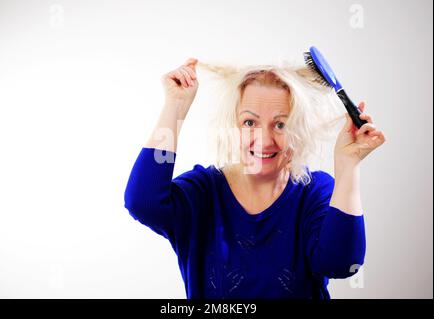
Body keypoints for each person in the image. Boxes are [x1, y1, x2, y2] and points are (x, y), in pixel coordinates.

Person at [124, 57, 386, 299]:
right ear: (233, 126)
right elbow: (143, 203)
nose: (264, 140)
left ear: (298, 129)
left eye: (281, 124)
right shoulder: (203, 191)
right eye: (250, 123)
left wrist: (348, 165)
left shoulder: (314, 191)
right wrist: (176, 107)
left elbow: (342, 263)